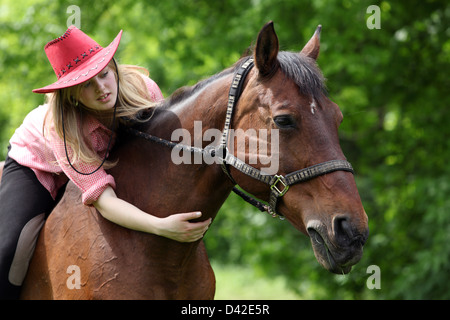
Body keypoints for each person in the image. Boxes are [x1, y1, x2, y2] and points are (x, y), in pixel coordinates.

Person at [0, 26, 211, 299]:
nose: (101, 88)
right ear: (71, 94)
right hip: (36, 166)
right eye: (87, 84)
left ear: (113, 68)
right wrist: (161, 226)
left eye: (104, 75)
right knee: (7, 250)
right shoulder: (62, 125)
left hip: (102, 159)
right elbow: (104, 200)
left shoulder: (146, 91)